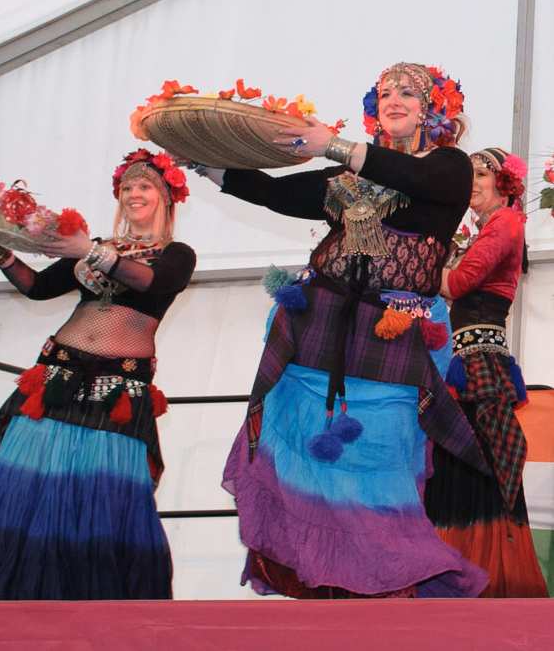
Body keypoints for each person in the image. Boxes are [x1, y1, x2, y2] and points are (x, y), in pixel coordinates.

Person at [195, 62, 489, 598]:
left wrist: (331, 145)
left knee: (382, 453)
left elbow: (415, 179)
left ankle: (386, 587)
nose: (393, 99)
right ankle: (322, 586)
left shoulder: (450, 167)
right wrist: (205, 163)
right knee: (303, 443)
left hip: (390, 334)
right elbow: (274, 194)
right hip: (319, 322)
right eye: (385, 93)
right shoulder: (348, 179)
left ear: (433, 109)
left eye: (408, 93)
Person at [0, 149, 196, 600]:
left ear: (166, 198)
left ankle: (96, 602)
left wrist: (89, 252)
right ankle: (10, 593)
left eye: (145, 187)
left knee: (104, 492)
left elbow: (151, 283)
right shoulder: (96, 246)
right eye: (127, 187)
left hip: (118, 387)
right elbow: (38, 288)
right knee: (27, 481)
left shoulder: (176, 255)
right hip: (58, 373)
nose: (134, 194)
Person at [425, 147, 549, 597]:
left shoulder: (507, 222)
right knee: (460, 465)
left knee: (475, 464)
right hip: (467, 360)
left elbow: (458, 284)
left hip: (482, 362)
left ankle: (485, 573)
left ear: (505, 183)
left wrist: (417, 260)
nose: (472, 182)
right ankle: (462, 571)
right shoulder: (486, 229)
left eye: (482, 173)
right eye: (469, 174)